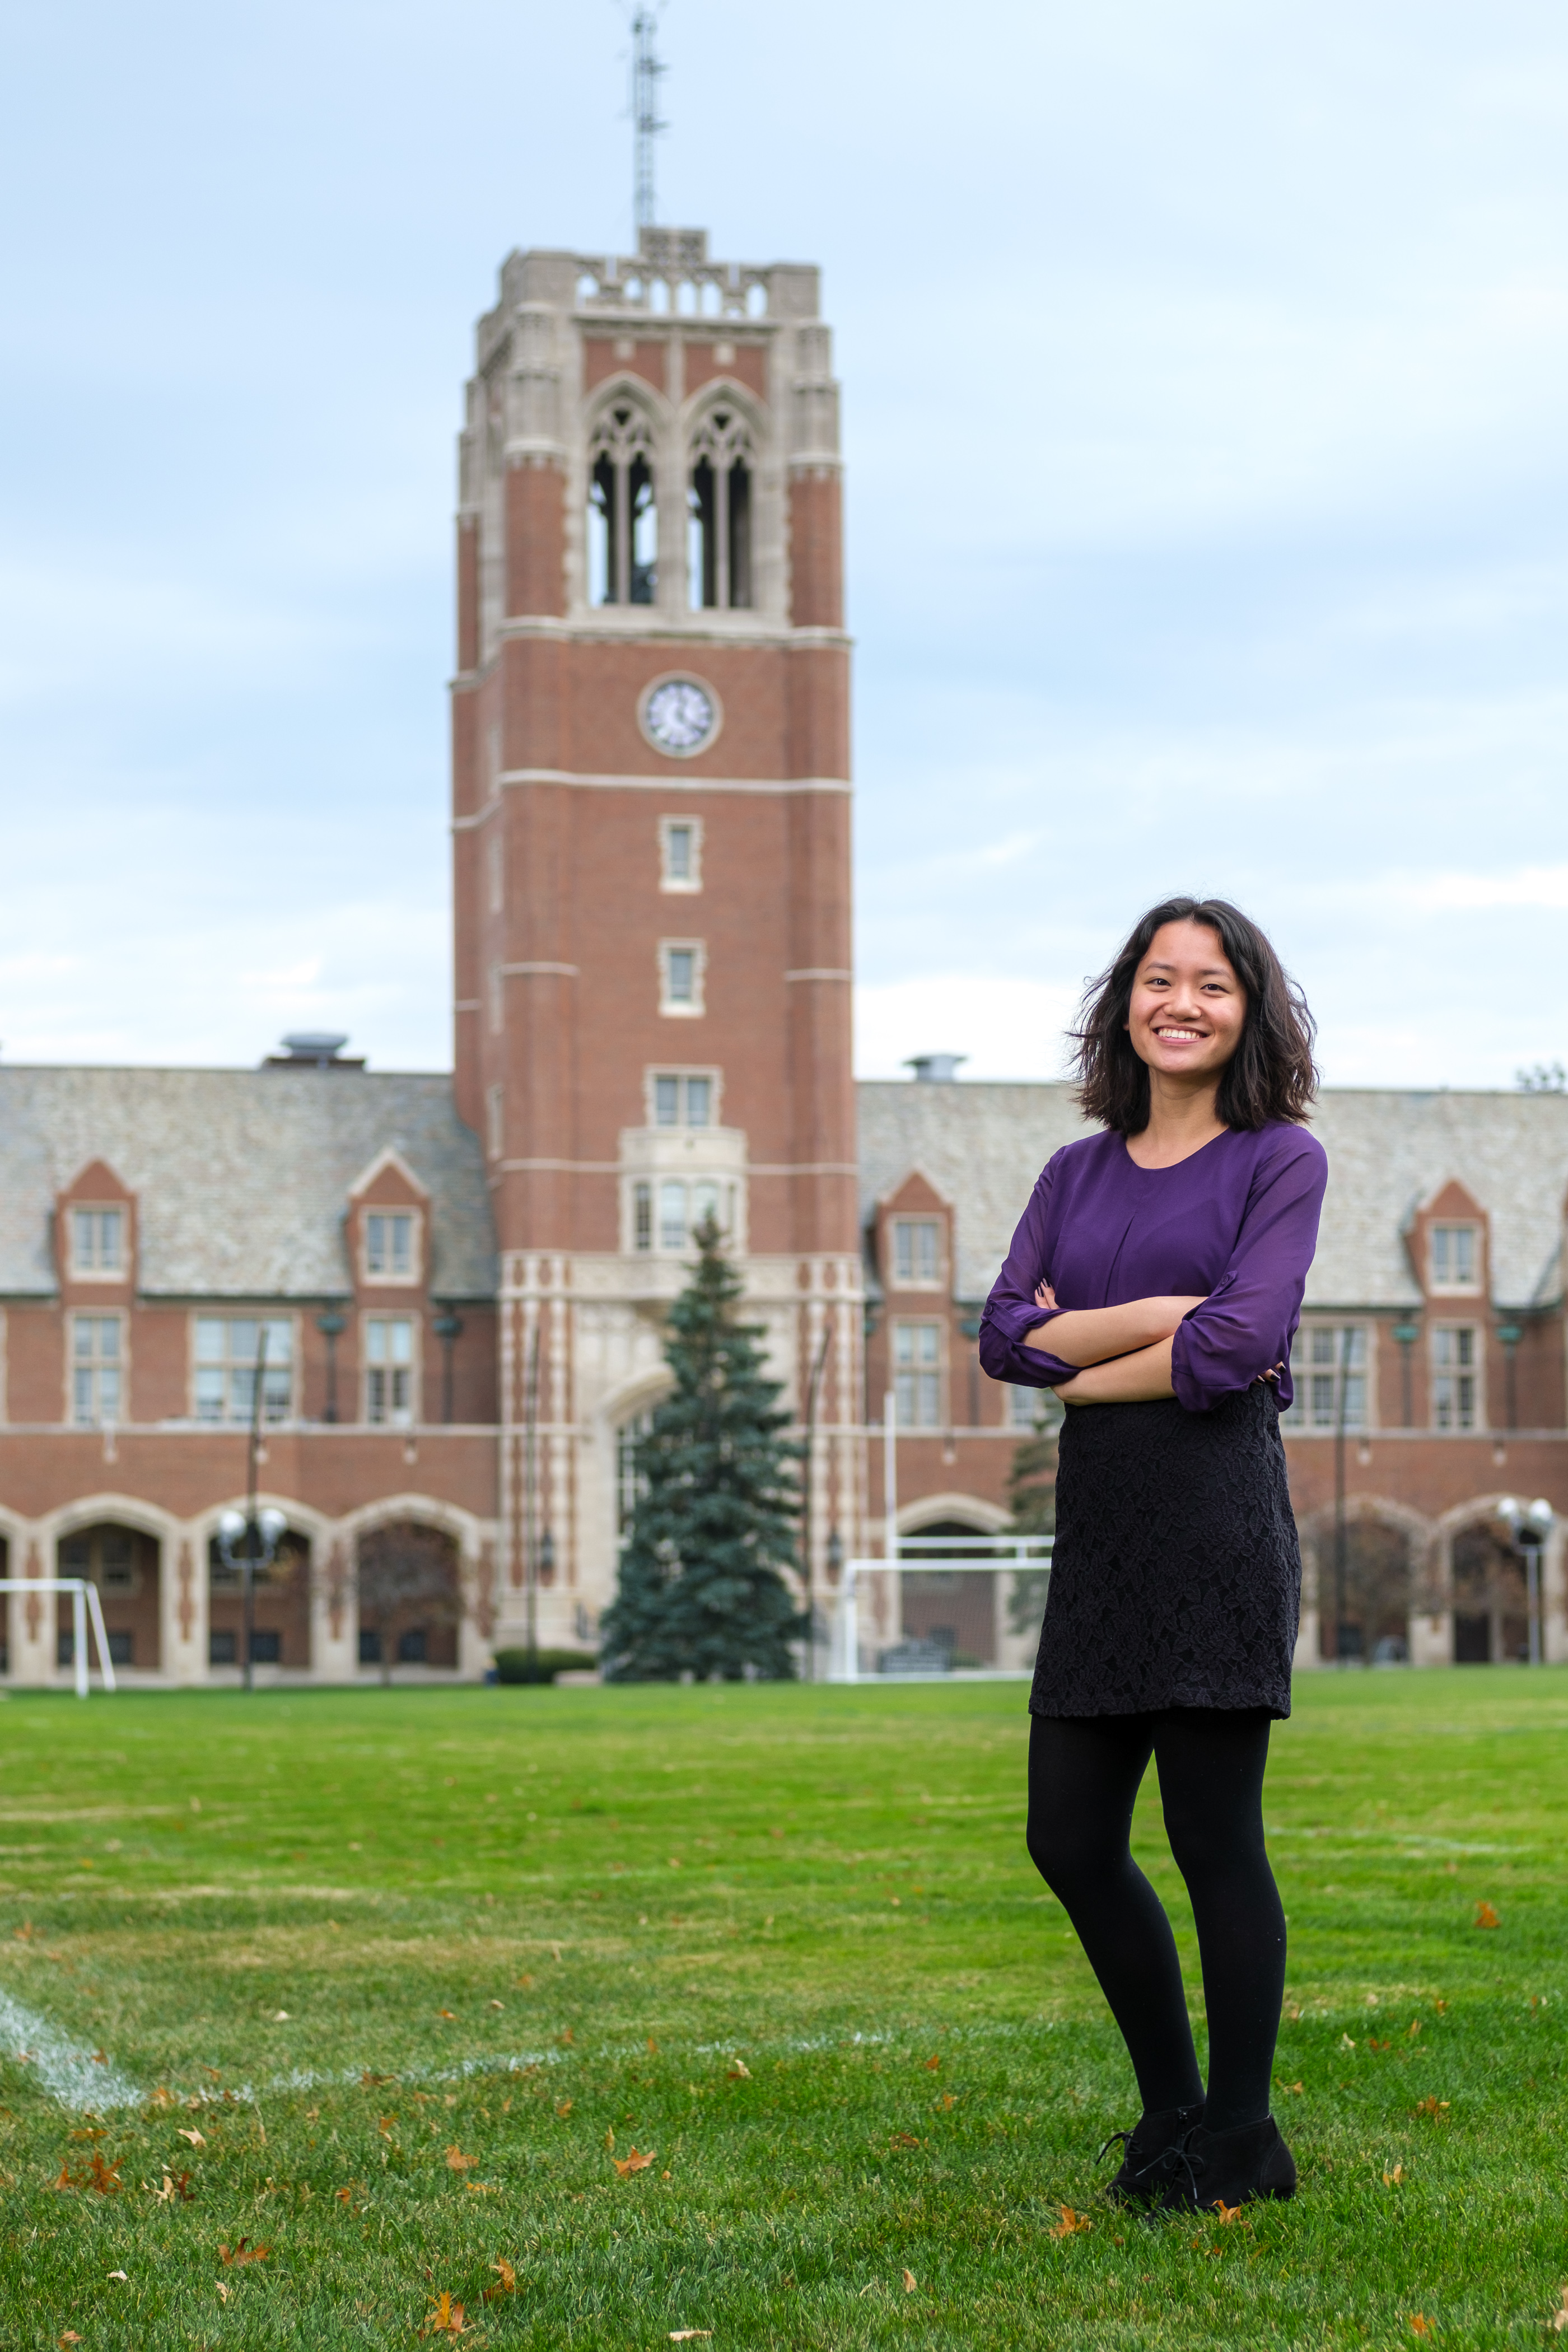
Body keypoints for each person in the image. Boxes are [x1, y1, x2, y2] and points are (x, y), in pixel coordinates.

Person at [978, 896, 1326, 2213]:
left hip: (1214, 1522)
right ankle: (1171, 2111)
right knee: (1064, 1837)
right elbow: (1000, 1332)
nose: (1181, 1002)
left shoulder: (1277, 1159)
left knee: (1211, 1839)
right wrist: (1150, 1320)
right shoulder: (1073, 1173)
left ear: (1249, 1009)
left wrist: (1079, 1369)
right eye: (1158, 978)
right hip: (1104, 1537)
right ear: (1124, 999)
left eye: (1212, 984)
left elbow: (1236, 1350)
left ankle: (1238, 2134)